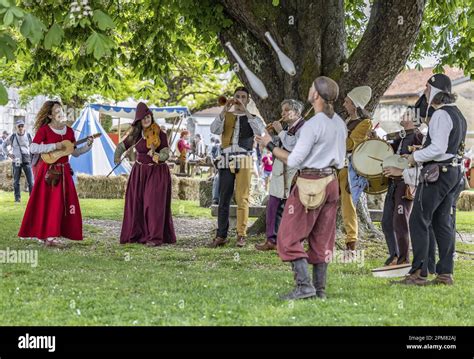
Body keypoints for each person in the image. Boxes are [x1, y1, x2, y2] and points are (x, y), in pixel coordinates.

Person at [256, 76, 347, 300]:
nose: (308, 89)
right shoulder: (339, 122)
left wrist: (268, 144)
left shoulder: (314, 124)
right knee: (322, 237)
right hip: (332, 182)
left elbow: (294, 160)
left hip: (311, 183)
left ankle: (305, 286)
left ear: (316, 94)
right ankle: (320, 290)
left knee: (286, 236)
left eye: (310, 87)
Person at [395, 74, 467, 286]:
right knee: (442, 222)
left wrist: (413, 157)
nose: (425, 92)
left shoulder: (441, 115)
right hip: (452, 173)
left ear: (437, 91)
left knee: (418, 219)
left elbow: (437, 148)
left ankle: (419, 272)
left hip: (439, 173)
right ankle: (444, 273)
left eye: (428, 89)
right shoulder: (458, 115)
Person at [18, 100, 94, 246]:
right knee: (49, 204)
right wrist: (54, 146)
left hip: (65, 171)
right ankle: (49, 236)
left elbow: (75, 152)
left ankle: (58, 233)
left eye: (61, 110)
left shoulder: (70, 131)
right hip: (49, 173)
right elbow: (33, 148)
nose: (60, 113)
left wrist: (88, 146)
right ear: (51, 115)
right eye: (57, 111)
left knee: (65, 204)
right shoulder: (45, 130)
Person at [210, 86, 265, 248]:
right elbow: (214, 130)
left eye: (243, 97)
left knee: (243, 198)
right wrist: (224, 110)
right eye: (237, 96)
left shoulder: (253, 117)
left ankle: (241, 234)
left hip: (245, 159)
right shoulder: (226, 116)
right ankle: (221, 235)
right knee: (223, 198)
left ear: (247, 100)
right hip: (226, 158)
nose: (239, 99)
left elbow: (259, 132)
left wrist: (246, 112)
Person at [114, 102, 176, 246]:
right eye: (143, 118)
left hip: (157, 172)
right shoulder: (136, 135)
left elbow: (166, 153)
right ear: (139, 121)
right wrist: (117, 157)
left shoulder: (160, 133)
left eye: (148, 116)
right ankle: (137, 234)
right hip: (139, 171)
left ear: (151, 117)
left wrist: (158, 156)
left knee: (152, 204)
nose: (146, 120)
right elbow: (122, 146)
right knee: (137, 203)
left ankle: (154, 238)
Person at [255, 99, 305, 251]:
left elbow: (294, 147)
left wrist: (279, 131)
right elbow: (282, 146)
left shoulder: (304, 128)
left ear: (296, 112)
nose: (282, 113)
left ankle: (292, 241)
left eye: (286, 110)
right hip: (281, 171)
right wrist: (266, 141)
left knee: (293, 208)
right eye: (282, 110)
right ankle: (272, 239)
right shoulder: (289, 127)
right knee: (274, 205)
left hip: (294, 173)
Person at [381, 108, 423, 266]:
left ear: (414, 119)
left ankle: (404, 258)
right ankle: (394, 254)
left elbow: (419, 163)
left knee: (400, 221)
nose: (401, 116)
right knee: (386, 221)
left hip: (406, 184)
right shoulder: (400, 136)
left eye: (406, 114)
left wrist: (401, 172)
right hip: (393, 183)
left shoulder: (419, 137)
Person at [338, 86, 373, 250]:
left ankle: (351, 239)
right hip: (336, 165)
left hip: (351, 167)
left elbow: (350, 144)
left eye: (347, 101)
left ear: (354, 104)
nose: (344, 104)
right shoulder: (345, 121)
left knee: (348, 204)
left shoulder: (365, 123)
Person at [2, 119, 34, 202]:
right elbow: (3, 145)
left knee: (31, 181)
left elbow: (33, 146)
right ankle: (17, 199)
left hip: (27, 160)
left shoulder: (28, 135)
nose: (20, 127)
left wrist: (33, 156)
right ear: (16, 127)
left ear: (24, 127)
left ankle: (32, 199)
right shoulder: (12, 136)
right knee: (16, 181)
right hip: (16, 160)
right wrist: (8, 154)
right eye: (19, 126)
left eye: (22, 126)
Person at [210, 137, 221, 205]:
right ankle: (215, 200)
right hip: (224, 169)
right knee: (217, 178)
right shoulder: (220, 147)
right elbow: (217, 161)